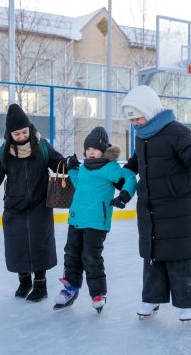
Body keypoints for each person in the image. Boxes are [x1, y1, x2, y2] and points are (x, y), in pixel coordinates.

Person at [120, 85, 191, 322]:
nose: (136, 123)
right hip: (151, 206)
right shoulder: (142, 136)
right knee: (153, 254)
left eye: (139, 117)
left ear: (151, 110)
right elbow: (137, 161)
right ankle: (151, 298)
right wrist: (121, 175)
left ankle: (190, 303)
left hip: (178, 207)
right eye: (132, 120)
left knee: (181, 256)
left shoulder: (176, 132)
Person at [0, 104, 65, 302]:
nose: (22, 136)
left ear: (29, 128)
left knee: (40, 244)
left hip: (40, 205)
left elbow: (57, 162)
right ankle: (24, 281)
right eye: (17, 134)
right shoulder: (4, 152)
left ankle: (40, 285)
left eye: (24, 131)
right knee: (18, 245)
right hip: (14, 206)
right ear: (10, 134)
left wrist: (69, 164)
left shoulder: (41, 146)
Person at [53, 127, 137, 313]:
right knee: (72, 254)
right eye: (88, 148)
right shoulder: (83, 168)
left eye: (95, 148)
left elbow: (130, 177)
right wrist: (71, 167)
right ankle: (70, 288)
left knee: (91, 257)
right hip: (76, 219)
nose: (90, 151)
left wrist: (124, 195)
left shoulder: (110, 168)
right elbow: (77, 181)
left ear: (104, 150)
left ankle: (98, 293)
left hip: (97, 221)